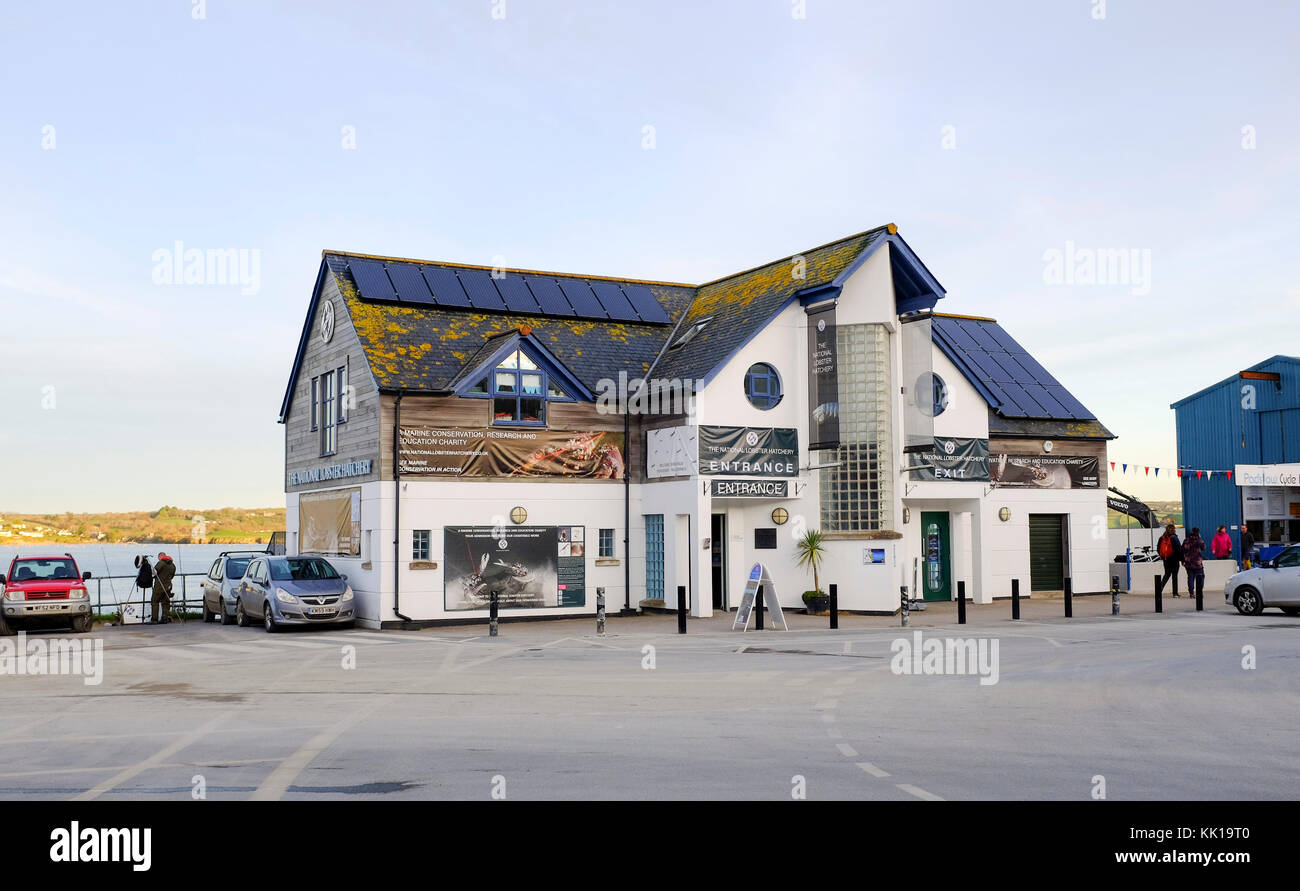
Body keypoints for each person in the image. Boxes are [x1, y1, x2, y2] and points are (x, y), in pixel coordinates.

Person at [1157, 524, 1183, 596]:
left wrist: (1162, 556)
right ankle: (1175, 593)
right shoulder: (1175, 538)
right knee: (1174, 577)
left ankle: (1159, 590)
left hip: (1166, 560)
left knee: (1167, 575)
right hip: (1175, 560)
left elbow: (1158, 549)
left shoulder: (1161, 538)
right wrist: (1182, 560)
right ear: (1174, 530)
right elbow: (1179, 550)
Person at [151, 552, 176, 624]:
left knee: (154, 601)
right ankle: (164, 618)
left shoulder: (161, 563)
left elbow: (154, 573)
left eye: (158, 557)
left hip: (159, 586)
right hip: (168, 586)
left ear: (160, 557)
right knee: (165, 602)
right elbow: (172, 576)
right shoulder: (173, 565)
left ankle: (154, 619)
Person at [1183, 527, 1206, 602]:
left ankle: (1191, 593)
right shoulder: (1199, 540)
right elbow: (1203, 548)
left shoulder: (1186, 540)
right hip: (1197, 562)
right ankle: (1199, 592)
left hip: (1188, 562)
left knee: (1190, 577)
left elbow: (1183, 549)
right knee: (1200, 577)